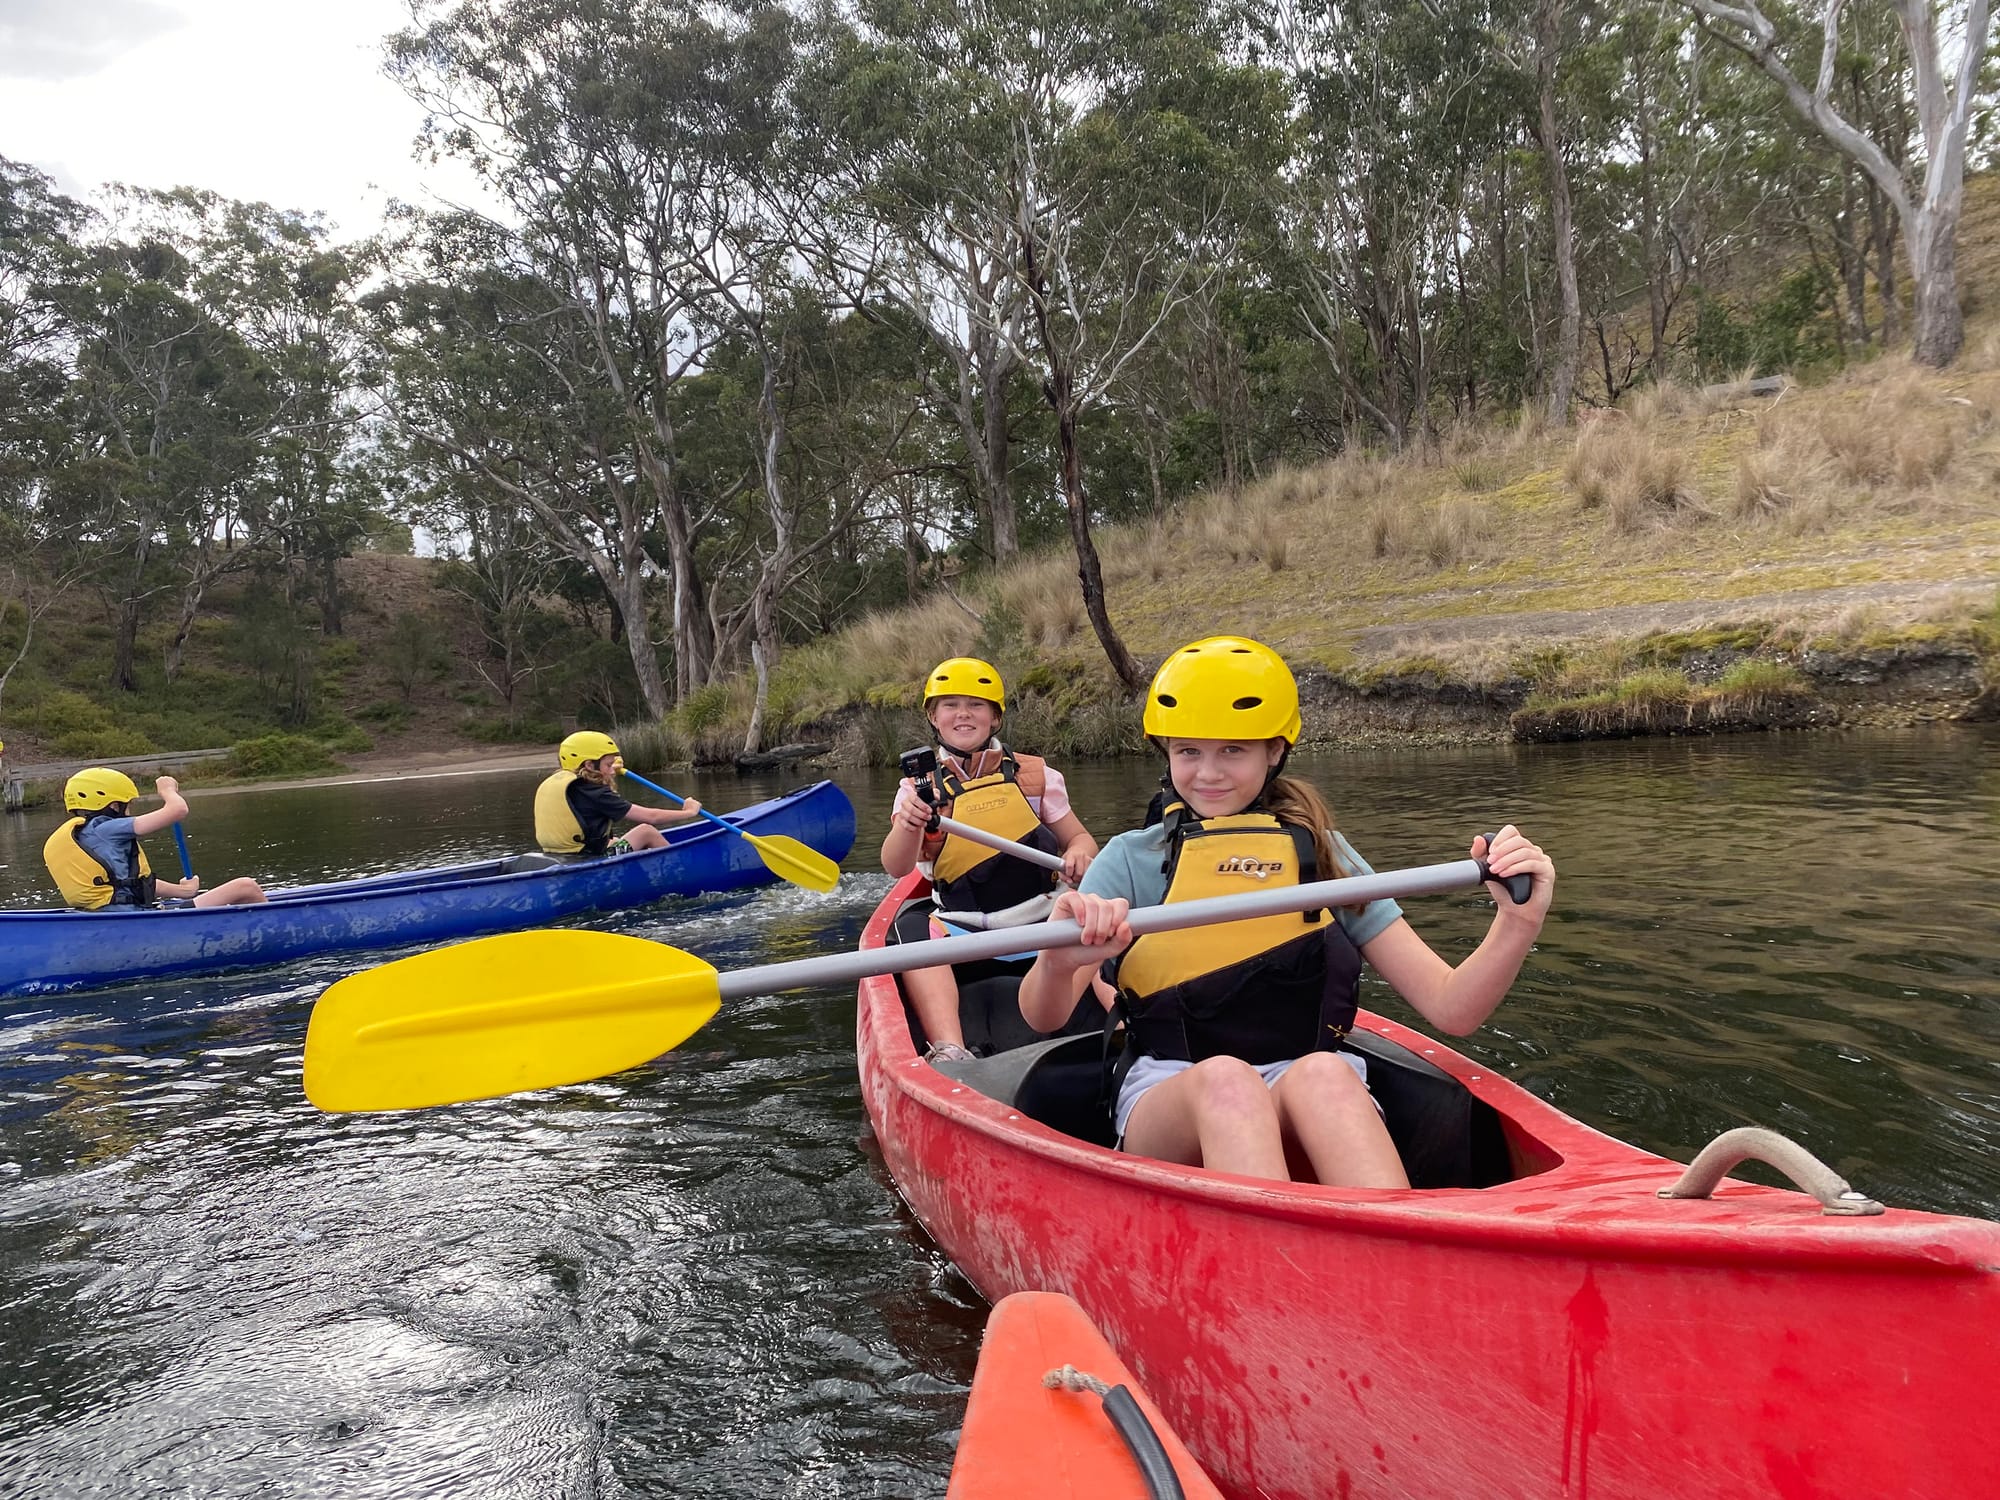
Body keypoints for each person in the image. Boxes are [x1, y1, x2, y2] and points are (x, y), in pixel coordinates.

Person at [1016, 636, 1555, 1189]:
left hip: (1306, 1081)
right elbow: (1043, 1017)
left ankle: (1391, 1251)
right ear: (1167, 753)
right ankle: (1266, 1266)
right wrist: (1057, 962)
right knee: (1227, 1081)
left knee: (1325, 1070)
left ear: (1274, 751)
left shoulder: (1324, 854)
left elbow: (1452, 1008)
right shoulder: (1129, 859)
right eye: (1188, 752)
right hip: (1171, 1092)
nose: (1208, 773)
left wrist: (1518, 923)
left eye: (1233, 750)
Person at [882, 657, 1099, 1062]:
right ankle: (951, 1048)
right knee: (906, 928)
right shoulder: (917, 788)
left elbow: (1082, 839)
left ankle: (1127, 1023)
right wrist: (909, 824)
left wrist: (1079, 855)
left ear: (995, 718)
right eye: (951, 705)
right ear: (933, 716)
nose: (963, 714)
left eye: (977, 705)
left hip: (1040, 918)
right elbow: (896, 868)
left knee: (1100, 911)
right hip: (960, 926)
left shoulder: (1035, 775)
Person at [43, 770, 266, 909]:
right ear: (113, 805)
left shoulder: (86, 835)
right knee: (245, 887)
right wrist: (168, 790)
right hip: (131, 921)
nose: (129, 809)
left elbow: (130, 885)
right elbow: (177, 810)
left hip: (119, 918)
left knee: (239, 890)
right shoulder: (108, 829)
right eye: (127, 804)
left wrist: (183, 892)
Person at [535, 731, 702, 857]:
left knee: (614, 841)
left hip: (564, 855)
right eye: (608, 765)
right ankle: (680, 870)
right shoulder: (596, 793)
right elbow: (651, 817)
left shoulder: (563, 784)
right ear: (589, 765)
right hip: (589, 858)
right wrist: (688, 812)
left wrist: (607, 768)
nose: (613, 771)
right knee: (646, 831)